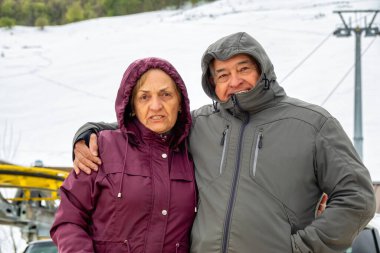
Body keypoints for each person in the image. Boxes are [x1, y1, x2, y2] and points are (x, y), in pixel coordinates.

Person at [71, 32, 376, 253]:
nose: (234, 81)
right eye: (223, 74)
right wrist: (88, 133)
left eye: (244, 68)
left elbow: (358, 197)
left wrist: (302, 247)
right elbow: (147, 128)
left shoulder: (312, 124)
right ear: (212, 84)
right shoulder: (199, 124)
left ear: (263, 70)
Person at [50, 57, 197, 253]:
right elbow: (69, 218)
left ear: (180, 103)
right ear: (132, 106)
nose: (156, 106)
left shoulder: (194, 152)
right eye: (144, 97)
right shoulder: (100, 147)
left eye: (166, 94)